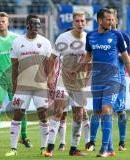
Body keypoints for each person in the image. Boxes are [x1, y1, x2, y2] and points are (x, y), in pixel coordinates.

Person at [84, 8, 130, 157]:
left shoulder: (117, 35)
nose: (111, 22)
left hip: (113, 79)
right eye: (108, 19)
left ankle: (104, 148)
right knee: (98, 112)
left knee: (107, 110)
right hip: (97, 80)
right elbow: (88, 56)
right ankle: (111, 148)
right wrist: (77, 71)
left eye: (112, 19)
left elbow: (127, 59)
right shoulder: (91, 36)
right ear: (100, 20)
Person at [0, 12, 31, 149]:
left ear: (8, 23)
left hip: (15, 79)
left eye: (3, 21)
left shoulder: (16, 39)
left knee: (20, 110)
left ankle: (24, 137)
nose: (1, 23)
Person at [5, 14, 52, 157]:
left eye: (39, 24)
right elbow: (14, 66)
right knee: (18, 114)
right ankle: (13, 148)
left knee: (43, 115)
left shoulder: (45, 42)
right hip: (22, 86)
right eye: (34, 24)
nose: (37, 27)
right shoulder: (17, 42)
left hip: (40, 86)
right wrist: (14, 85)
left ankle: (44, 148)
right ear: (27, 25)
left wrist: (50, 82)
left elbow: (49, 66)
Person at [44, 11, 88, 157]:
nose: (80, 23)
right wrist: (50, 77)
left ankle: (73, 148)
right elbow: (52, 58)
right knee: (58, 110)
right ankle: (49, 147)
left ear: (85, 22)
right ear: (73, 22)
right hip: (63, 80)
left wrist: (89, 76)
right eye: (77, 21)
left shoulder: (89, 38)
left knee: (78, 115)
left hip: (80, 82)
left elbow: (91, 60)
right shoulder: (63, 38)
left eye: (82, 21)